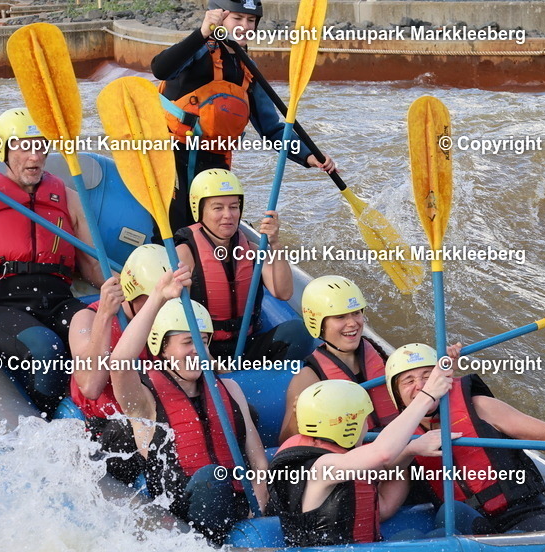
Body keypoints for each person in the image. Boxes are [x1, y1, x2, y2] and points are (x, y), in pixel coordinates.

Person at [110, 266, 269, 545]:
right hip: (182, 512)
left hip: (238, 505)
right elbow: (120, 363)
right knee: (211, 479)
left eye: (203, 341)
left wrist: (257, 506)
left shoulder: (229, 389)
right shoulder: (144, 400)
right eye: (188, 342)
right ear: (163, 348)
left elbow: (257, 462)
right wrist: (158, 296)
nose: (198, 350)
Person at [0, 108, 103, 414]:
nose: (35, 157)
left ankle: (98, 417)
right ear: (4, 150)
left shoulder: (68, 198)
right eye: (24, 146)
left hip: (58, 299)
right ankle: (47, 423)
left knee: (103, 336)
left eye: (40, 146)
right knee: (46, 348)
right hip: (3, 304)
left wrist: (136, 293)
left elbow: (92, 266)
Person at [151, 0, 336, 233]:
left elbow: (272, 130)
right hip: (173, 157)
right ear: (220, 17)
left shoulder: (247, 70)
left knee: (215, 230)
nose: (245, 26)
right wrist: (202, 32)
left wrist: (309, 156)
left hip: (216, 164)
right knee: (176, 229)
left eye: (251, 20)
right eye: (237, 19)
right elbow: (160, 68)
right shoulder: (198, 51)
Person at [385, 343, 545, 534]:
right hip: (473, 524)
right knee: (449, 512)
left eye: (428, 376)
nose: (420, 386)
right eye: (409, 381)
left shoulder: (479, 406)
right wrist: (410, 450)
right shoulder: (402, 438)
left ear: (441, 380)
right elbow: (385, 500)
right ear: (397, 394)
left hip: (524, 512)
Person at [267, 362, 453, 547]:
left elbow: (381, 473)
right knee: (443, 534)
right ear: (350, 426)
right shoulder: (324, 467)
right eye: (364, 419)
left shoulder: (326, 457)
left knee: (422, 534)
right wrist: (427, 395)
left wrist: (412, 449)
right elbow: (382, 454)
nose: (366, 427)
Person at [174, 168, 310, 362]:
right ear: (199, 210)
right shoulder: (185, 253)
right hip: (203, 347)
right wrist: (210, 361)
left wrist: (275, 244)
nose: (228, 215)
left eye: (234, 206)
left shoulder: (252, 249)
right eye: (218, 207)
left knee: (298, 332)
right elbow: (175, 319)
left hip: (246, 343)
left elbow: (283, 292)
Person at [69, 244, 170, 482]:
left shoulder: (170, 318)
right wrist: (105, 315)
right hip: (110, 428)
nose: (162, 306)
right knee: (126, 431)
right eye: (156, 299)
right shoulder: (87, 317)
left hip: (154, 417)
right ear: (133, 292)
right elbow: (91, 387)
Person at [279, 275, 395, 443]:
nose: (352, 323)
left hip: (400, 441)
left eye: (356, 313)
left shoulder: (379, 354)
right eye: (340, 317)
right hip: (358, 458)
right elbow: (286, 443)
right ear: (318, 323)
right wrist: (298, 416)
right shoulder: (308, 377)